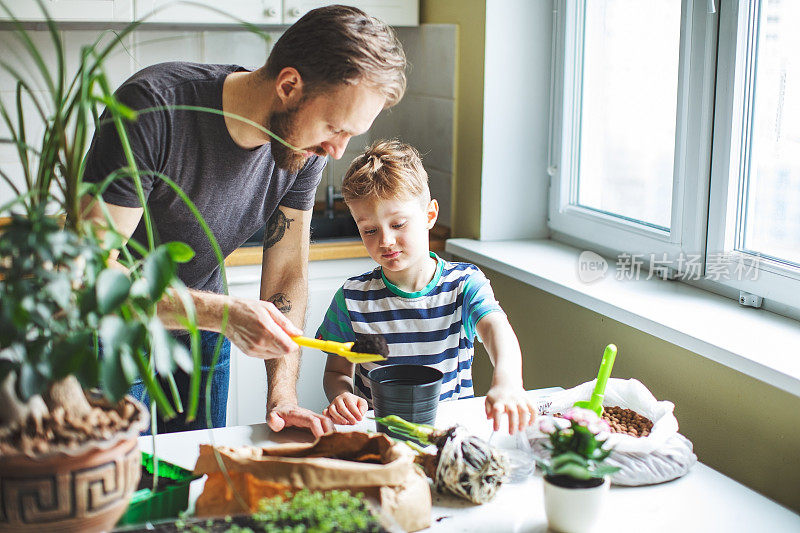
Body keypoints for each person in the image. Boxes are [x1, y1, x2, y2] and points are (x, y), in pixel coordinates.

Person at [80, 5, 407, 436]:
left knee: (200, 482)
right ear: (289, 85)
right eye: (335, 127)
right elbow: (88, 272)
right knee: (125, 487)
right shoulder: (152, 109)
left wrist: (283, 395)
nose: (338, 151)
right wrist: (223, 314)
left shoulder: (302, 148)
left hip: (203, 333)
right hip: (115, 336)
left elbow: (287, 271)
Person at [317, 140, 536, 434]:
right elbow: (336, 371)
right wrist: (342, 396)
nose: (385, 241)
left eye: (398, 224)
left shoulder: (464, 285)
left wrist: (508, 379)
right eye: (370, 230)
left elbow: (497, 330)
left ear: (430, 215)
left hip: (449, 435)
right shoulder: (352, 299)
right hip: (380, 437)